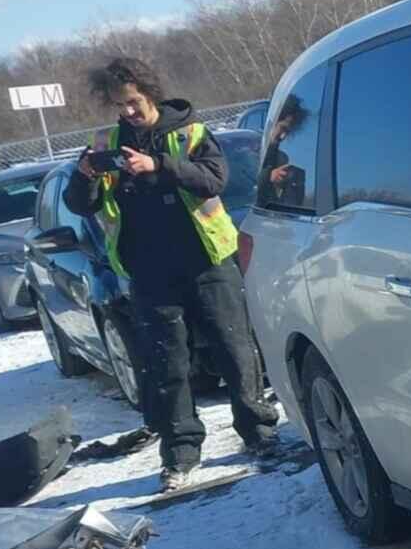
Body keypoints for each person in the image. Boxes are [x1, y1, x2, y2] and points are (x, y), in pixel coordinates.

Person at [65, 57, 277, 491]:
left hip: (207, 260)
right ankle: (180, 453)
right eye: (119, 105)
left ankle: (260, 433)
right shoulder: (106, 141)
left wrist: (158, 166)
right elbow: (80, 204)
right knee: (167, 366)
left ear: (149, 92)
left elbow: (215, 179)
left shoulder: (189, 131)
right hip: (148, 270)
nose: (127, 112)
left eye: (133, 102)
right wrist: (84, 175)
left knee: (235, 349)